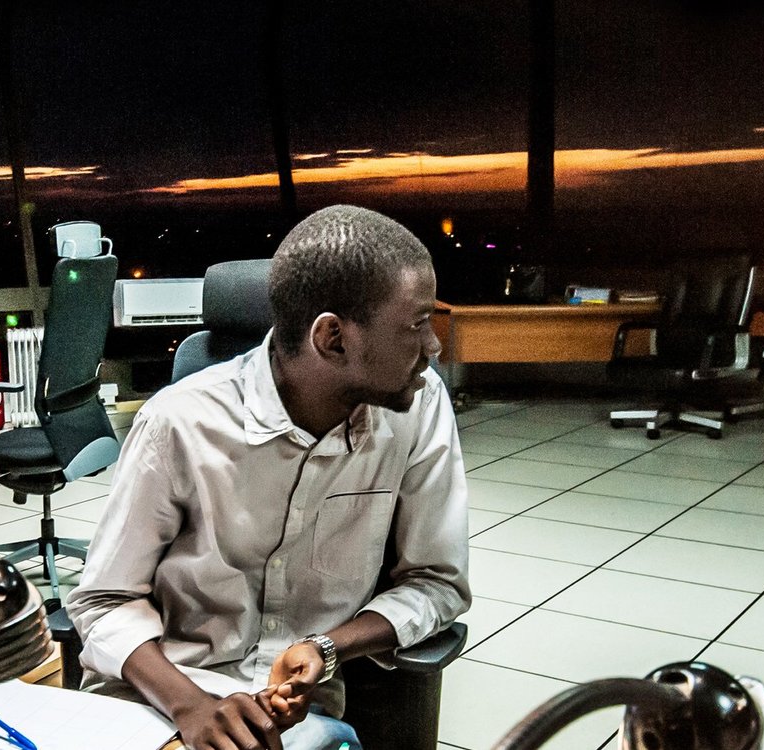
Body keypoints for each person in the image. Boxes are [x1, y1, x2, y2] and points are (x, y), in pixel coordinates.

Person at [65, 205, 471, 750]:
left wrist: (327, 648)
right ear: (333, 340)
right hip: (162, 697)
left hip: (298, 720)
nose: (433, 348)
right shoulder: (181, 422)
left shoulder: (418, 410)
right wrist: (192, 707)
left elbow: (437, 582)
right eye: (417, 325)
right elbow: (103, 601)